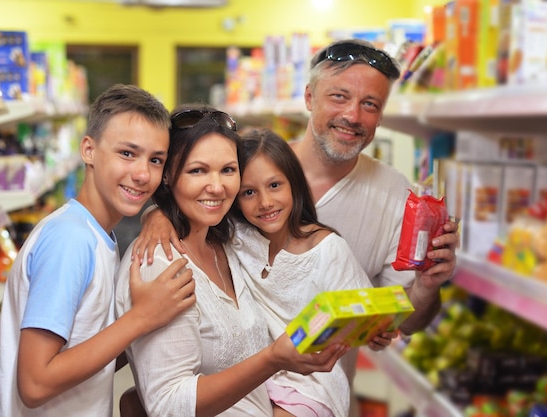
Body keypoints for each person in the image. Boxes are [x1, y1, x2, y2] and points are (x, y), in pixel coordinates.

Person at [137, 38, 459, 337]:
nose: (352, 115)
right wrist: (161, 213)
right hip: (232, 386)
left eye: (370, 104)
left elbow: (403, 320)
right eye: (339, 97)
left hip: (318, 389)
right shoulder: (250, 168)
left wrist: (427, 285)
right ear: (309, 97)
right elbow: (202, 196)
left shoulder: (394, 193)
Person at [115, 105, 348, 417]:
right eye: (197, 171)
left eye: (227, 170)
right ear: (168, 175)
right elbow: (168, 405)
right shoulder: (160, 264)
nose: (217, 186)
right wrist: (273, 359)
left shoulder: (226, 240)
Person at [0, 84, 196, 417]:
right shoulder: (70, 241)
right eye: (127, 153)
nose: (142, 174)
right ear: (88, 150)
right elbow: (35, 384)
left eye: (156, 160)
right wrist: (141, 318)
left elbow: (84, 360)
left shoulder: (95, 235)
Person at [229, 127, 394, 417]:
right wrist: (155, 216)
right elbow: (182, 210)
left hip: (312, 382)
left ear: (293, 183)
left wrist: (376, 331)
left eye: (275, 185)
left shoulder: (326, 249)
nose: (265, 202)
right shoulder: (237, 237)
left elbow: (366, 307)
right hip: (254, 376)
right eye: (249, 192)